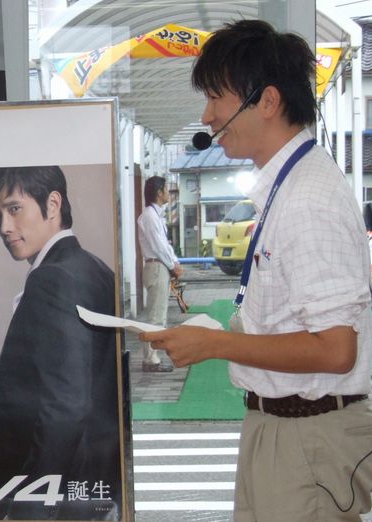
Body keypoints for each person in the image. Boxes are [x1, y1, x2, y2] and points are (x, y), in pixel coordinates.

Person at [141, 20, 372, 521]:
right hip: (281, 427)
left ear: (267, 101)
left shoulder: (308, 199)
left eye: (215, 99)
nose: (207, 116)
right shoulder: (287, 186)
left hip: (307, 436)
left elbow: (336, 349)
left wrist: (217, 345)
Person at [0, 166, 121, 520]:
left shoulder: (52, 278)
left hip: (56, 501)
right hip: (92, 485)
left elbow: (66, 406)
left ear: (53, 204)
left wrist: (27, 509)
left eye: (14, 209)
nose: (4, 227)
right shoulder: (95, 269)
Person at [136, 175, 181, 372]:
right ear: (158, 192)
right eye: (166, 189)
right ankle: (150, 360)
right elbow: (158, 246)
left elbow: (164, 244)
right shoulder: (150, 216)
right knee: (156, 316)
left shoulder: (155, 215)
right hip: (157, 267)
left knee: (159, 314)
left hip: (159, 266)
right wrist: (173, 265)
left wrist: (174, 262)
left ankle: (153, 357)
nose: (168, 193)